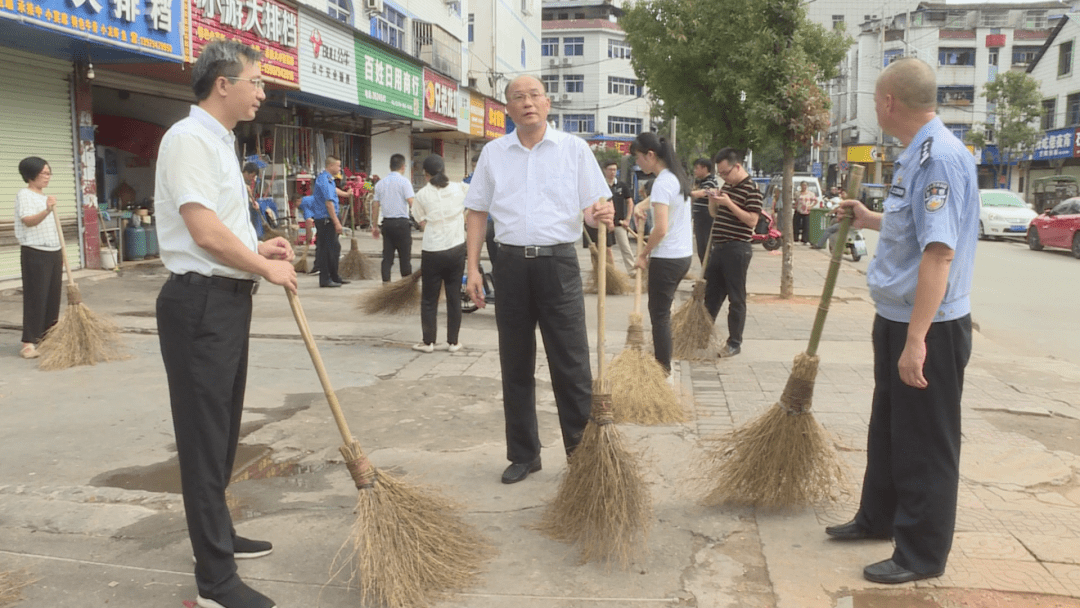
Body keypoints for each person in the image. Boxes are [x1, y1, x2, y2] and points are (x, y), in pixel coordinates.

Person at [154, 39, 296, 608]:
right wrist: (264, 266)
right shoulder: (188, 139)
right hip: (199, 304)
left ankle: (219, 537)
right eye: (256, 82)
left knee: (222, 431)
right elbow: (203, 234)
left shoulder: (218, 141)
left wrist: (260, 247)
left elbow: (224, 229)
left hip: (226, 299)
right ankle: (215, 582)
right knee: (203, 436)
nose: (262, 92)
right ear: (223, 84)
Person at [825, 57, 978, 586]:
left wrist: (916, 341)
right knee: (889, 429)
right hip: (897, 314)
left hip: (928, 325)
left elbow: (939, 253)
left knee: (925, 440)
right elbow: (913, 224)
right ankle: (878, 518)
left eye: (874, 100)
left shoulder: (939, 159)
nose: (875, 107)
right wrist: (868, 219)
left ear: (889, 103)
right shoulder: (916, 154)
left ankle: (920, 553)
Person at [463, 74, 613, 484]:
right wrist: (473, 267)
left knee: (571, 363)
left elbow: (592, 207)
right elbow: (476, 211)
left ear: (547, 104)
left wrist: (599, 215)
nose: (527, 102)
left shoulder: (574, 150)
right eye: (518, 97)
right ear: (507, 109)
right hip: (509, 265)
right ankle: (524, 454)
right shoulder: (494, 153)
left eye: (534, 96)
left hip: (558, 265)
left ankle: (582, 455)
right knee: (515, 363)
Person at [630, 133, 693, 374]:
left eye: (639, 158)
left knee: (659, 315)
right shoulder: (676, 178)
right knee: (662, 312)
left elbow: (661, 229)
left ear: (651, 155)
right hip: (682, 256)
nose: (638, 163)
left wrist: (644, 254)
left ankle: (663, 368)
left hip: (667, 258)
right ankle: (663, 363)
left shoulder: (662, 183)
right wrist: (642, 209)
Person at [705, 148, 763, 358]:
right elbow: (715, 214)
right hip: (719, 247)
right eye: (720, 174)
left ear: (737, 166)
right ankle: (701, 334)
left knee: (736, 297)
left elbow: (752, 221)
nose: (724, 177)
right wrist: (714, 200)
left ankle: (734, 342)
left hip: (737, 248)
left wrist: (729, 202)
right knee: (711, 294)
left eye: (726, 173)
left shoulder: (752, 189)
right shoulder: (727, 186)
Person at [412, 154, 467, 353]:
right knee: (453, 296)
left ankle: (428, 342)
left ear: (425, 175)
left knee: (429, 298)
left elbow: (419, 219)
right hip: (456, 247)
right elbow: (473, 202)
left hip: (432, 250)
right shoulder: (459, 188)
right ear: (443, 170)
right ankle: (453, 342)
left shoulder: (421, 195)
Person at [14, 156, 62, 360]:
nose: (47, 176)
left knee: (53, 298)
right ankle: (29, 342)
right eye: (43, 173)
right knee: (36, 297)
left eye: (49, 172)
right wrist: (47, 210)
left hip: (54, 250)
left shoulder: (45, 196)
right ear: (30, 174)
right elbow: (28, 221)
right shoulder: (24, 195)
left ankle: (48, 338)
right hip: (35, 252)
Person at [371, 153, 416, 282]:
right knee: (405, 259)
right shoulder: (404, 182)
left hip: (387, 224)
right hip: (402, 224)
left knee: (387, 258)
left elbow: (375, 206)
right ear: (403, 166)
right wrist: (421, 220)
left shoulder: (380, 184)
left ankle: (386, 287)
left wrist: (374, 226)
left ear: (390, 166)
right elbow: (411, 202)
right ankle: (406, 288)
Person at [311, 155, 349, 288]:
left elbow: (333, 191)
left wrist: (346, 194)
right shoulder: (324, 179)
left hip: (328, 219)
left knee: (335, 248)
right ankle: (325, 279)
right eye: (338, 166)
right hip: (326, 220)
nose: (340, 168)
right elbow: (329, 203)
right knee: (327, 250)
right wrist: (337, 222)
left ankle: (334, 276)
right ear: (331, 166)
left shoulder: (329, 180)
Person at [603, 160, 636, 275]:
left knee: (626, 247)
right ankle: (611, 273)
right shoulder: (601, 185)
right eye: (610, 169)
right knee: (607, 249)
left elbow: (630, 202)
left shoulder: (621, 185)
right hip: (605, 224)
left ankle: (632, 271)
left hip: (620, 223)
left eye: (614, 170)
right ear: (604, 170)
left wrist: (628, 219)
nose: (613, 172)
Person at [689, 158, 719, 264]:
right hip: (700, 219)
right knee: (701, 248)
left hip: (706, 218)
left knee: (705, 248)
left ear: (705, 168)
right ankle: (705, 275)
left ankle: (709, 275)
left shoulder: (710, 182)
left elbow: (702, 193)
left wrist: (688, 193)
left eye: (697, 168)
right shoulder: (701, 182)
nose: (695, 171)